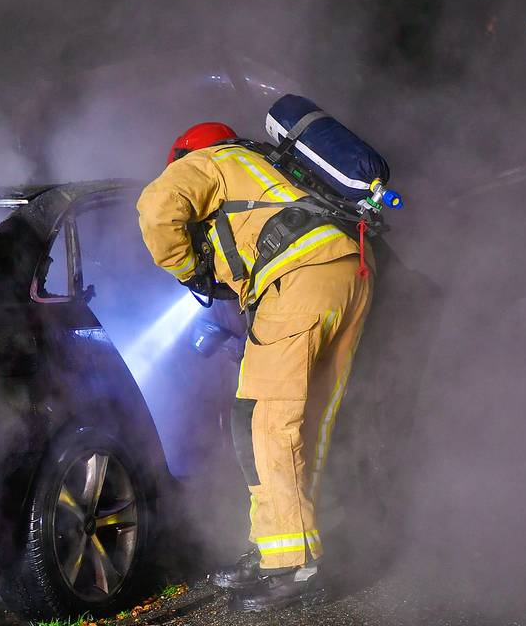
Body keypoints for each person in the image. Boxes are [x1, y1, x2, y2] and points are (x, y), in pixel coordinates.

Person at [137, 121, 374, 612]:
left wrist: (189, 269)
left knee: (262, 421)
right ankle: (276, 546)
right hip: (351, 272)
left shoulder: (207, 161)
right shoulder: (269, 167)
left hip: (299, 281)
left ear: (185, 153)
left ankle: (294, 565)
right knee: (305, 424)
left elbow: (157, 208)